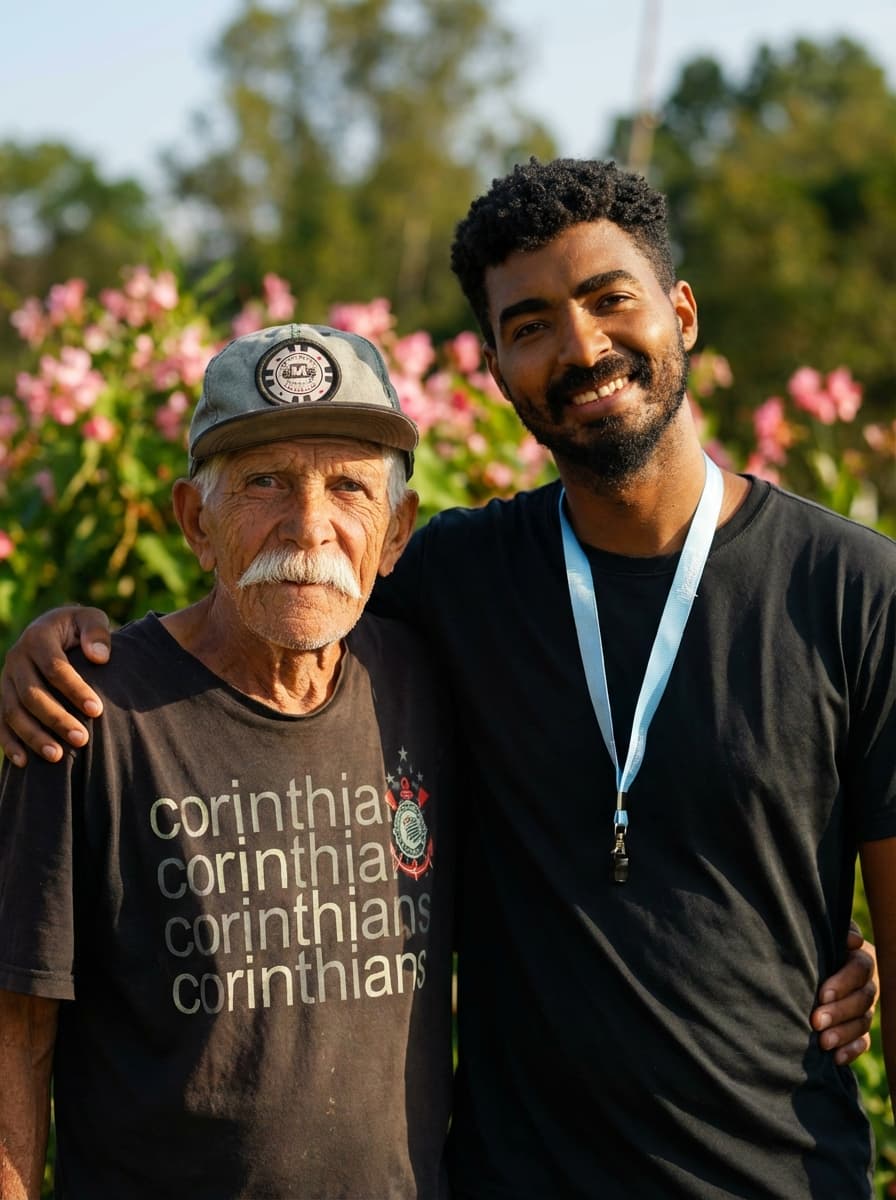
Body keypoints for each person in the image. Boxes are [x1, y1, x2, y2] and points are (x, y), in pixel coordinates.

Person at [1, 160, 891, 1197]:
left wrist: (830, 949)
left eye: (609, 298)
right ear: (498, 372)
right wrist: (53, 643)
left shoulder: (853, 592)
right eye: (531, 326)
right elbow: (264, 605)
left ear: (681, 312)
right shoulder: (455, 583)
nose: (581, 348)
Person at [0, 324, 456, 1200]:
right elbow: (16, 1027)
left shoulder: (424, 686)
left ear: (396, 532)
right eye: (265, 482)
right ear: (194, 522)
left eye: (349, 487)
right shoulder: (86, 715)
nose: (310, 526)